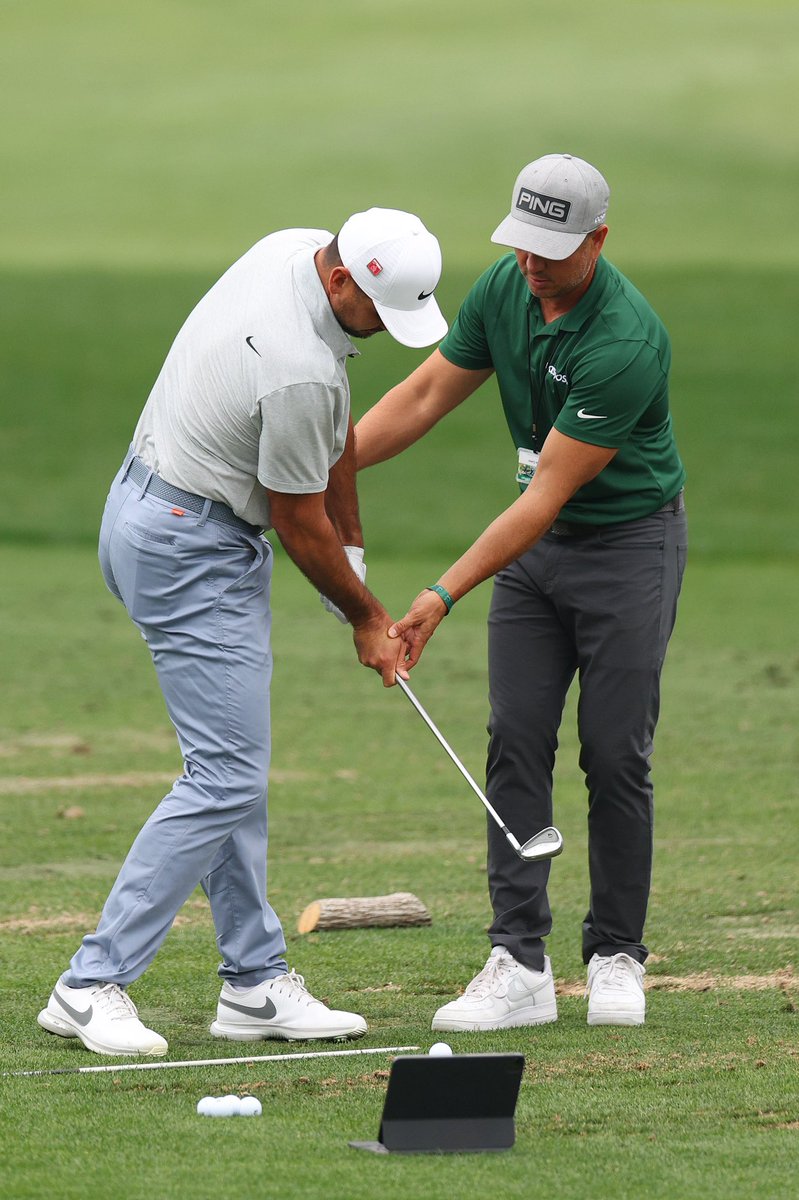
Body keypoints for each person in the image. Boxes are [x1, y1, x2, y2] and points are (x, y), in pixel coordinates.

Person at [37, 207, 447, 1057]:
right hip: (192, 547)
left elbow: (332, 439)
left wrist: (355, 562)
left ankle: (254, 983)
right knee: (225, 774)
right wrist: (366, 619)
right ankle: (90, 983)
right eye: (378, 311)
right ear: (343, 279)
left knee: (230, 767)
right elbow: (299, 518)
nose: (382, 328)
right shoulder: (297, 369)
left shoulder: (290, 249)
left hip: (147, 507)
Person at [356, 155, 687, 1029]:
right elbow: (423, 395)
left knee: (614, 753)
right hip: (536, 556)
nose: (531, 263)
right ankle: (519, 962)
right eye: (521, 243)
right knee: (514, 738)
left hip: (627, 548)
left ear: (598, 240)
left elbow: (545, 497)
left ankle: (615, 953)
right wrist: (323, 467)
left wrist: (440, 593)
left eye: (552, 248)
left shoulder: (625, 341)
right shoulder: (506, 288)